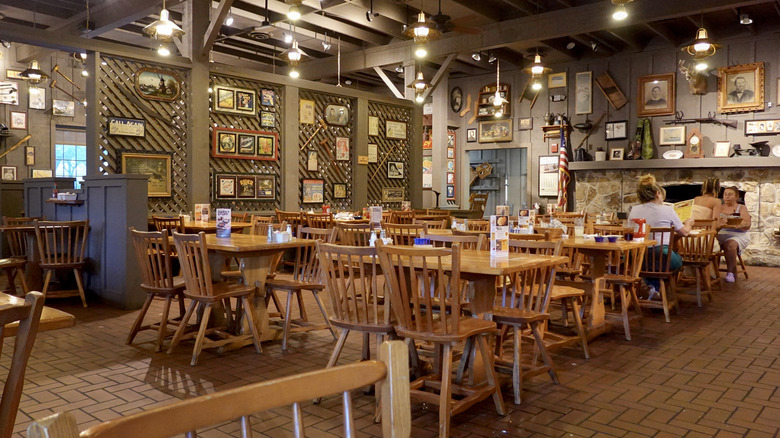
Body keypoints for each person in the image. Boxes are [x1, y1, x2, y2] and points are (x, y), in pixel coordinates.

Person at [628, 174, 693, 298]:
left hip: (638, 257)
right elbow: (684, 232)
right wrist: (689, 223)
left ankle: (652, 287)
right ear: (658, 194)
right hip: (662, 257)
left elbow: (630, 229)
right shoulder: (667, 210)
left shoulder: (634, 210)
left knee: (650, 263)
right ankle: (655, 288)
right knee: (677, 261)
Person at [717, 186, 751, 283]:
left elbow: (747, 224)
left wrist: (731, 222)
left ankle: (730, 273)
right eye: (725, 194)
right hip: (720, 233)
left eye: (730, 194)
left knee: (730, 245)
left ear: (736, 197)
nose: (727, 196)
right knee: (709, 243)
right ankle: (712, 272)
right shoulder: (718, 207)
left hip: (737, 234)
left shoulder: (741, 208)